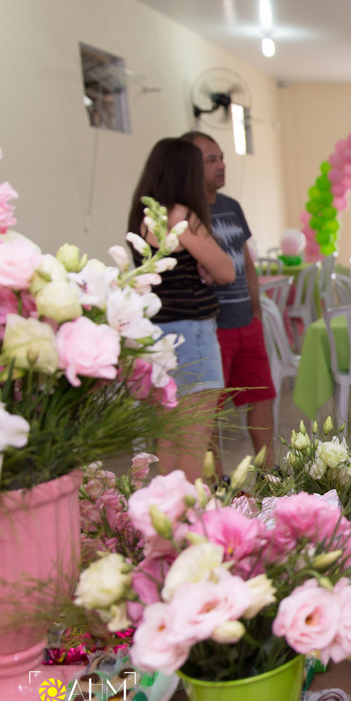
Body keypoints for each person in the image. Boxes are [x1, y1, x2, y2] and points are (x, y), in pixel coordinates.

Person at [128, 138, 235, 481]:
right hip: (192, 335)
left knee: (169, 438)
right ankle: (188, 510)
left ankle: (168, 508)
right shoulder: (180, 216)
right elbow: (226, 271)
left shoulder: (144, 215)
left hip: (158, 335)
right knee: (193, 444)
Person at [182, 131, 277, 468]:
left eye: (221, 157)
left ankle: (269, 475)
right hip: (211, 326)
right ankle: (218, 483)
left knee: (261, 397)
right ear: (191, 166)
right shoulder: (184, 213)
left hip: (245, 321)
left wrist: (255, 309)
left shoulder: (231, 206)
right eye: (212, 160)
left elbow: (245, 260)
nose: (222, 165)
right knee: (210, 410)